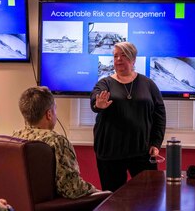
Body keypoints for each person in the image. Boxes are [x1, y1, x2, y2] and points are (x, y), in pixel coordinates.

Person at [91, 41, 166, 192]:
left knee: (149, 196)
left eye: (123, 55)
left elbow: (160, 114)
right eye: (115, 56)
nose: (118, 59)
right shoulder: (105, 83)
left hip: (142, 152)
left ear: (133, 59)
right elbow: (95, 101)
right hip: (110, 153)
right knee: (113, 200)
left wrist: (156, 143)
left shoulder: (148, 84)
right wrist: (99, 104)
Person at [13, 86, 102, 198]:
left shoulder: (15, 137)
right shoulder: (57, 141)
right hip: (52, 205)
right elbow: (72, 189)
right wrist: (99, 192)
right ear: (49, 114)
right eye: (55, 109)